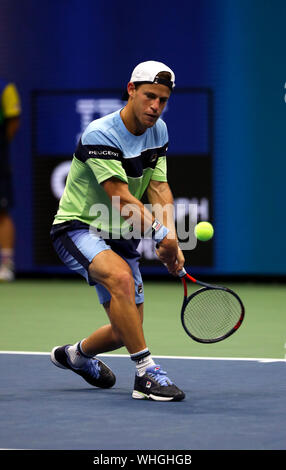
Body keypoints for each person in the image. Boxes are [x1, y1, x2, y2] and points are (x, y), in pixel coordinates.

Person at [50, 60, 186, 401]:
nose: (155, 106)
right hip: (78, 227)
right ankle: (146, 374)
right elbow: (121, 198)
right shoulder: (101, 133)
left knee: (128, 330)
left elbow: (158, 189)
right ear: (131, 90)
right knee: (121, 279)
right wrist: (161, 236)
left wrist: (171, 238)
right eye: (149, 96)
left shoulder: (160, 132)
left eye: (163, 100)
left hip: (119, 237)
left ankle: (76, 356)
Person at [0, 79, 21, 281]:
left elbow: (12, 122)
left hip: (0, 161)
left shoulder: (5, 88)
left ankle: (6, 264)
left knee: (2, 211)